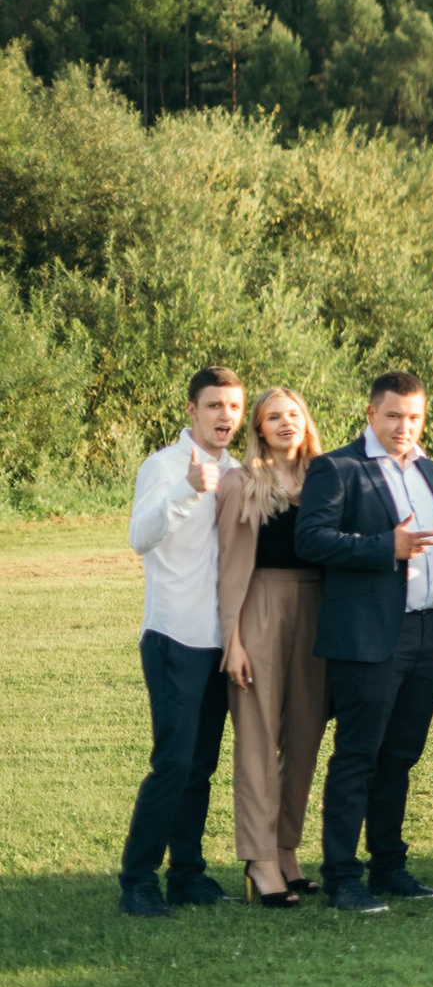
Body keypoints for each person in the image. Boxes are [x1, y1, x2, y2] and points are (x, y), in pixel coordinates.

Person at [299, 371, 433, 913]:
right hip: (369, 635)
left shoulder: (429, 468)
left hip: (428, 631)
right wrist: (382, 546)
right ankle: (342, 876)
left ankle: (388, 866)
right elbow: (311, 539)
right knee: (357, 756)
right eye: (393, 415)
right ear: (371, 414)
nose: (403, 426)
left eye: (413, 417)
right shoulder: (337, 467)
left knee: (400, 756)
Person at [120, 366, 245, 917]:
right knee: (172, 762)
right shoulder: (164, 466)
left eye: (233, 407)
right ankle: (138, 879)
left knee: (201, 766)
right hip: (175, 634)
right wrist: (187, 491)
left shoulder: (239, 470)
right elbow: (138, 537)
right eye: (214, 405)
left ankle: (187, 873)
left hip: (221, 642)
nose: (225, 416)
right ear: (192, 410)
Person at [214, 385, 326, 908]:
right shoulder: (242, 482)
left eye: (293, 414)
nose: (286, 423)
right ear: (258, 428)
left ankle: (286, 848)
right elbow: (230, 567)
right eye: (273, 417)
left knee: (304, 736)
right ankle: (258, 858)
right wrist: (232, 639)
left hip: (319, 610)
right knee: (258, 738)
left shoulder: (326, 479)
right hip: (259, 604)